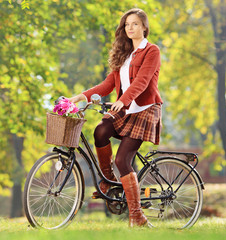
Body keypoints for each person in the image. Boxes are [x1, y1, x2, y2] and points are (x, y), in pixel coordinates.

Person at [69, 8, 163, 227]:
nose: (130, 28)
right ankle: (108, 179)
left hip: (145, 108)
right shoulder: (125, 54)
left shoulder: (152, 51)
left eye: (135, 24)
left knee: (123, 160)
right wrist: (80, 97)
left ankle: (137, 216)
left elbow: (142, 81)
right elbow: (107, 85)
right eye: (127, 25)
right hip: (125, 107)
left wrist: (124, 100)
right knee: (100, 130)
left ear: (144, 27)